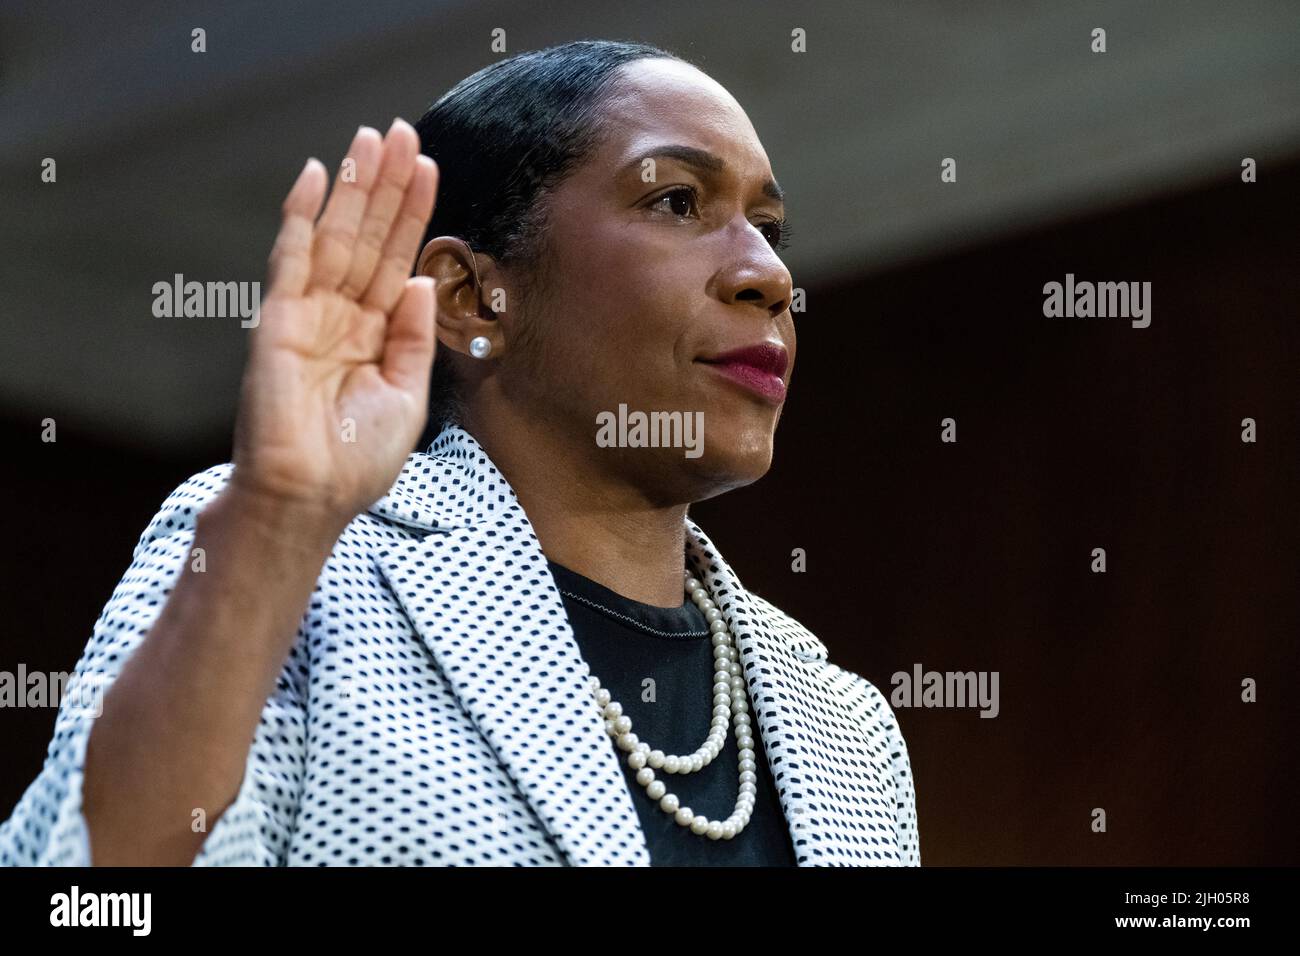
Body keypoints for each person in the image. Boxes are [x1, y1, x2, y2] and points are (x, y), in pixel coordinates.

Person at [0, 39, 918, 866]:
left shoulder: (846, 726)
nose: (769, 273)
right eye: (676, 200)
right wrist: (277, 514)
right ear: (474, 299)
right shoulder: (294, 570)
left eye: (771, 228)